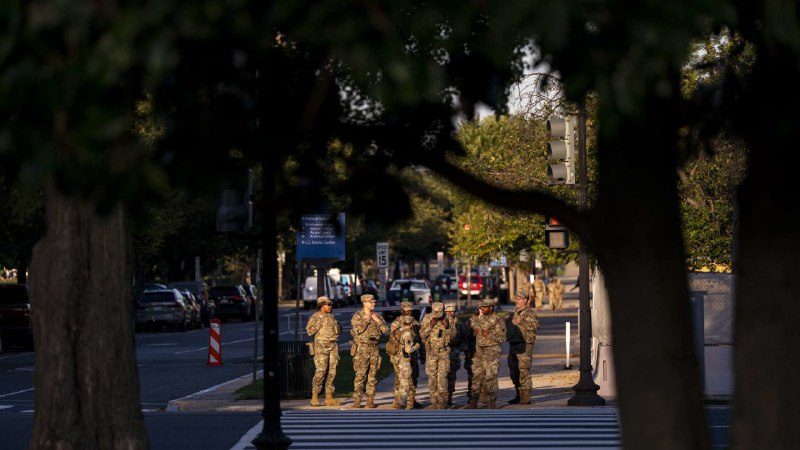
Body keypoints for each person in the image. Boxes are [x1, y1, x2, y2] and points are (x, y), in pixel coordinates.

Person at [350, 293, 389, 408]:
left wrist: (378, 321)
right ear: (364, 303)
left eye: (374, 302)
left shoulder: (377, 316)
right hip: (362, 348)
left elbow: (386, 330)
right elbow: (357, 330)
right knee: (360, 374)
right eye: (371, 302)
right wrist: (366, 319)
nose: (373, 304)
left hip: (374, 348)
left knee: (373, 375)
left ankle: (370, 399)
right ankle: (357, 399)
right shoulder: (357, 316)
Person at [467, 298, 506, 409]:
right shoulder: (479, 319)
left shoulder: (498, 320)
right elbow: (472, 324)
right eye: (481, 307)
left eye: (485, 307)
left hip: (491, 352)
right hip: (479, 351)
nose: (482, 309)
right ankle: (473, 401)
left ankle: (492, 402)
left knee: (490, 377)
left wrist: (488, 334)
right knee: (477, 376)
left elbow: (502, 337)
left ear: (491, 307)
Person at [305, 296, 342, 406]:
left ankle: (329, 397)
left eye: (331, 305)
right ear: (321, 305)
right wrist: (319, 324)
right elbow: (309, 332)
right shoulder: (315, 317)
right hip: (321, 347)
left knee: (332, 371)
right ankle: (315, 396)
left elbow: (338, 330)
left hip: (333, 346)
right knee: (321, 371)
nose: (330, 307)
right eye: (328, 304)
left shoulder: (332, 317)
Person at [506, 290, 540, 405]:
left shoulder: (529, 313)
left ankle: (526, 397)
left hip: (525, 345)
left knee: (524, 370)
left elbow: (535, 326)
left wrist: (522, 321)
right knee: (514, 370)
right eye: (516, 299)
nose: (517, 301)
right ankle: (518, 395)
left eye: (519, 299)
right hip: (514, 344)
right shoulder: (515, 312)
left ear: (525, 300)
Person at [420, 302, 455, 409]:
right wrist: (430, 325)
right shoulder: (427, 318)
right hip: (431, 352)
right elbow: (422, 334)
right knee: (432, 376)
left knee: (443, 376)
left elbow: (454, 336)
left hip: (444, 352)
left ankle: (443, 401)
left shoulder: (448, 318)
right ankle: (434, 400)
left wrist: (448, 327)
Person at [388, 302, 421, 409]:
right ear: (402, 311)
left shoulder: (415, 322)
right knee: (400, 378)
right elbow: (394, 336)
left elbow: (419, 338)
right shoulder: (396, 323)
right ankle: (398, 400)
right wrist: (406, 328)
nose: (409, 313)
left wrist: (422, 354)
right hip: (399, 355)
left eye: (410, 311)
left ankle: (412, 399)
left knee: (414, 376)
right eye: (406, 311)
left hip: (412, 355)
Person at [445, 302, 469, 407]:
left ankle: (449, 398)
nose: (451, 313)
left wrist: (460, 350)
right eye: (448, 311)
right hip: (442, 354)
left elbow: (464, 339)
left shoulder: (459, 324)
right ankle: (440, 399)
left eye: (452, 311)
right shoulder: (439, 323)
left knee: (452, 377)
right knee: (441, 378)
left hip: (454, 354)